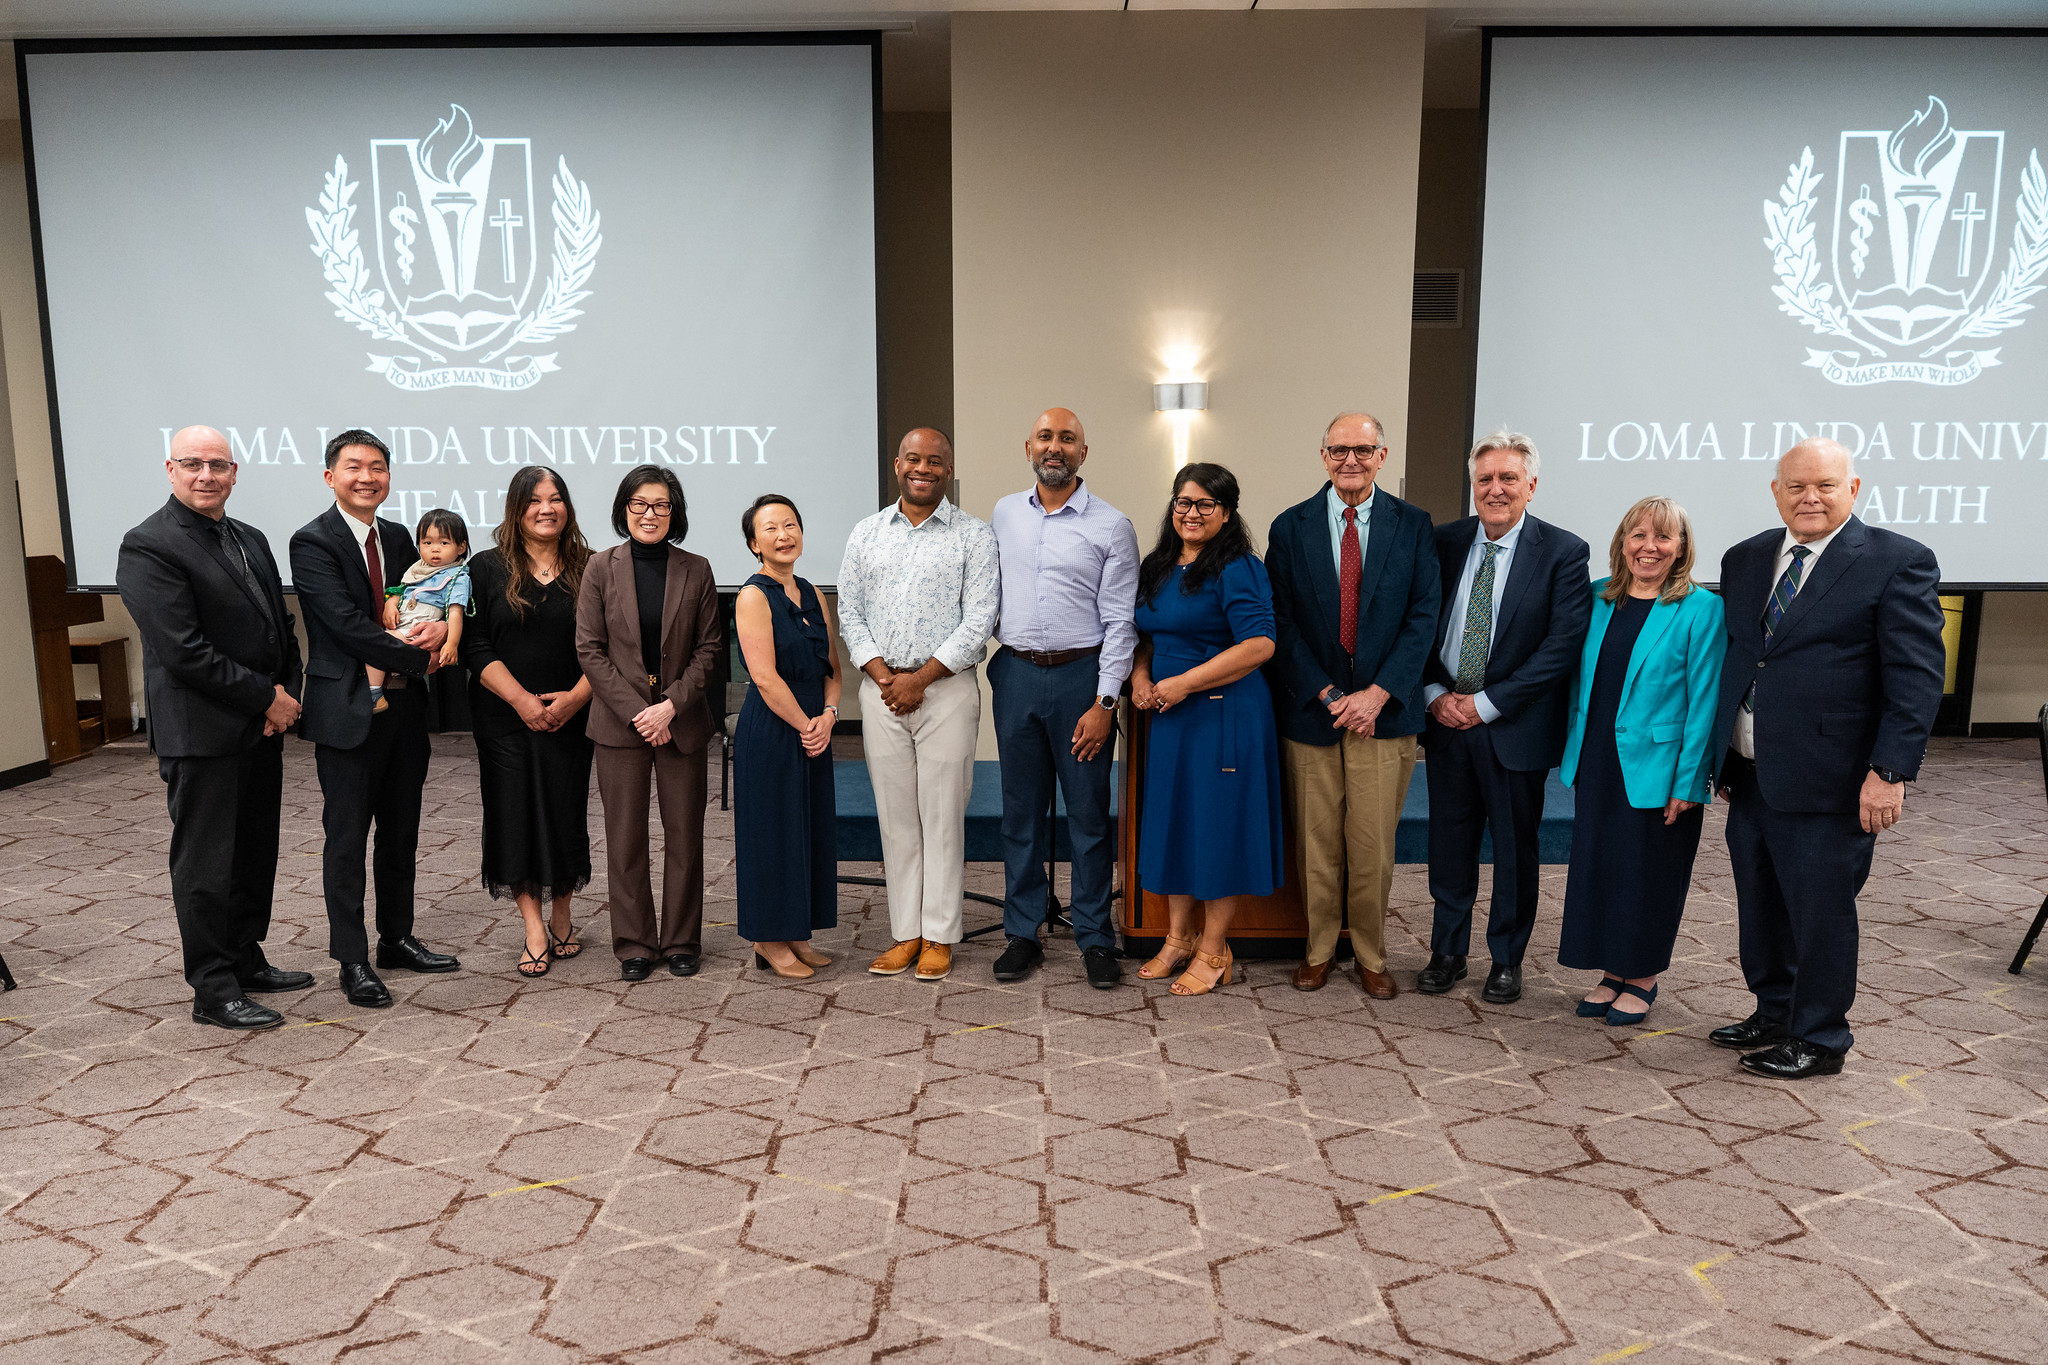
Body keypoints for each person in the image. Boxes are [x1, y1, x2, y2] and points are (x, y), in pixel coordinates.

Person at [1708, 438, 1944, 1078]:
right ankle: (1775, 1010)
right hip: (1750, 772)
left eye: (1825, 486)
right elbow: (1743, 656)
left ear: (1854, 488)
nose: (1809, 497)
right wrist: (1723, 757)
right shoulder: (1747, 557)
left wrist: (1890, 772)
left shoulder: (1898, 562)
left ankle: (1819, 1039)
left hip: (1835, 779)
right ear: (1776, 490)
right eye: (1796, 486)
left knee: (1820, 913)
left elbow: (1916, 678)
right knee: (1760, 903)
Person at [117, 426, 306, 1030]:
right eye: (193, 464)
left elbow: (279, 622)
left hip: (257, 728)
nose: (207, 475)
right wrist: (266, 699)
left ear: (234, 472)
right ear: (170, 469)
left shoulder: (248, 537)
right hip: (201, 734)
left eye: (218, 465)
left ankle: (246, 958)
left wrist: (290, 690)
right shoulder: (148, 544)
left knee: (253, 855)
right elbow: (183, 651)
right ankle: (213, 988)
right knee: (205, 864)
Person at [1265, 412, 1440, 999]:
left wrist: (1377, 694)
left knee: (1372, 847)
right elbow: (1281, 624)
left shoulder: (1413, 525)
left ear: (1382, 456)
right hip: (1313, 711)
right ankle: (1318, 950)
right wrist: (1328, 692)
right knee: (1316, 845)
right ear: (1322, 456)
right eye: (1339, 450)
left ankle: (1369, 953)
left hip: (1384, 717)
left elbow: (1423, 618)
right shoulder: (1289, 528)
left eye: (1363, 450)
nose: (1351, 461)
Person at [1419, 431, 1591, 1005]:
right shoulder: (1442, 543)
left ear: (1531, 486)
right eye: (1485, 479)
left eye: (1508, 478)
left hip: (1511, 728)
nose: (1495, 489)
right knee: (1449, 844)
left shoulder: (1564, 552)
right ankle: (1447, 951)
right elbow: (1416, 625)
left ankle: (1506, 960)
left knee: (1515, 850)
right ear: (1473, 486)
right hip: (1444, 720)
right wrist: (1434, 693)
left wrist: (1486, 704)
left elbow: (1561, 647)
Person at [291, 430, 460, 1010]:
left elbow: (428, 603)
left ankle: (396, 938)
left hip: (404, 708)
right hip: (346, 710)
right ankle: (352, 958)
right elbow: (343, 623)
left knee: (401, 830)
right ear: (330, 476)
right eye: (354, 467)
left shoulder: (397, 536)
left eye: (379, 467)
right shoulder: (311, 542)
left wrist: (440, 630)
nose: (368, 477)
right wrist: (419, 653)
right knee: (345, 839)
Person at [1556, 497, 1726, 1026]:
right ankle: (1613, 970)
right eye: (1638, 535)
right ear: (1622, 543)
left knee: (1650, 872)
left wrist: (1690, 781)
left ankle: (1644, 975)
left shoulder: (1701, 608)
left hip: (1662, 766)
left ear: (1681, 548)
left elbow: (1705, 700)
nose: (1648, 547)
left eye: (1663, 537)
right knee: (1601, 868)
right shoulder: (1598, 599)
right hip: (1598, 760)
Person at [837, 429, 999, 983]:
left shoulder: (974, 537)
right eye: (913, 459)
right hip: (881, 691)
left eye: (935, 460)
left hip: (946, 692)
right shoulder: (866, 533)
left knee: (943, 816)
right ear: (897, 464)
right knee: (897, 818)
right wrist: (886, 677)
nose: (923, 468)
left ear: (948, 468)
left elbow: (979, 619)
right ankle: (905, 933)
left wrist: (920, 680)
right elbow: (850, 613)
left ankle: (939, 936)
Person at [988, 407, 1141, 989]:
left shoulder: (1111, 526)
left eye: (1068, 439)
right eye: (1046, 437)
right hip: (1018, 675)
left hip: (1083, 680)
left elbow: (1120, 620)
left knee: (1087, 818)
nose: (1056, 447)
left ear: (1084, 452)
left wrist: (1106, 704)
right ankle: (1023, 931)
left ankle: (1095, 936)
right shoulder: (1004, 513)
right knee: (1020, 812)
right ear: (1028, 445)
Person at [1130, 464, 1282, 996]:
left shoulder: (1239, 567)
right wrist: (1143, 674)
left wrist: (1184, 683)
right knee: (1176, 823)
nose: (1190, 513)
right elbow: (1148, 633)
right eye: (1182, 503)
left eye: (1204, 505)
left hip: (1224, 713)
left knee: (1217, 830)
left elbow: (1260, 645)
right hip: (1172, 715)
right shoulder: (1159, 565)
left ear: (1227, 512)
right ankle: (1177, 938)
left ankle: (1215, 949)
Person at [575, 466, 722, 982]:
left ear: (675, 513)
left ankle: (682, 940)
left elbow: (709, 649)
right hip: (620, 725)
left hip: (680, 723)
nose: (650, 514)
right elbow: (589, 650)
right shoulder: (600, 567)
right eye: (639, 504)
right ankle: (635, 942)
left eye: (661, 505)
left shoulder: (697, 569)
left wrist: (670, 707)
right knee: (625, 838)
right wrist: (640, 711)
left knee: (685, 837)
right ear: (624, 510)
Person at [460, 468, 596, 978]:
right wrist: (522, 702)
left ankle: (563, 913)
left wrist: (574, 700)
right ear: (517, 510)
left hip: (574, 714)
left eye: (556, 499)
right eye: (534, 500)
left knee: (565, 810)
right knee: (513, 815)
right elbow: (474, 644)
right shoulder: (486, 568)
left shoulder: (591, 567)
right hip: (503, 716)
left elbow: (607, 646)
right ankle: (533, 926)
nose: (546, 508)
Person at [732, 494, 842, 978]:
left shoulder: (814, 592)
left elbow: (834, 670)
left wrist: (831, 716)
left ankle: (796, 932)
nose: (784, 535)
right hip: (776, 727)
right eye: (771, 528)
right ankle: (767, 939)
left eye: (791, 524)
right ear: (754, 543)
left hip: (815, 724)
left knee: (806, 830)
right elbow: (764, 677)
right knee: (771, 833)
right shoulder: (752, 595)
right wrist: (806, 726)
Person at [368, 509, 471, 710]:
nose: (435, 549)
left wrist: (451, 643)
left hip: (418, 629)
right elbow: (402, 588)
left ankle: (373, 694)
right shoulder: (418, 567)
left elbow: (456, 613)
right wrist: (391, 602)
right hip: (404, 624)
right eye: (427, 543)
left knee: (376, 647)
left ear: (461, 547)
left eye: (444, 543)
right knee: (376, 644)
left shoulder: (457, 577)